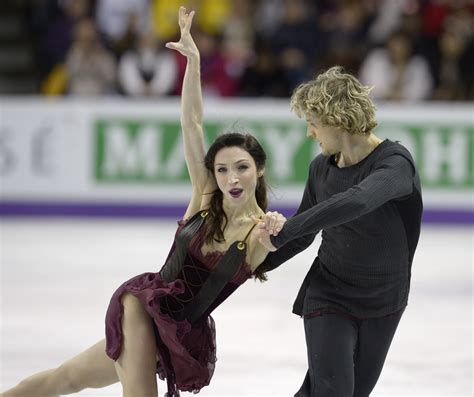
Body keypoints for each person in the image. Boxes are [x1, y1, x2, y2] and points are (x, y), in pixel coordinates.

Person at [1, 7, 285, 397]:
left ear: (260, 169)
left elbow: (266, 247)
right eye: (222, 170)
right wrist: (194, 63)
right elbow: (193, 123)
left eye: (241, 167)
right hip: (142, 308)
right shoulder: (204, 198)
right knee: (71, 381)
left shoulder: (256, 232)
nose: (231, 178)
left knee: (66, 379)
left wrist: (273, 233)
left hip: (178, 333)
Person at [258, 66, 423, 397]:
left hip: (385, 301)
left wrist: (284, 231)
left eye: (313, 123)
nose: (309, 133)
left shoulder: (395, 164)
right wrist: (253, 263)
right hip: (329, 293)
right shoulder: (321, 168)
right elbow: (304, 235)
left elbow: (359, 201)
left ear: (336, 120)